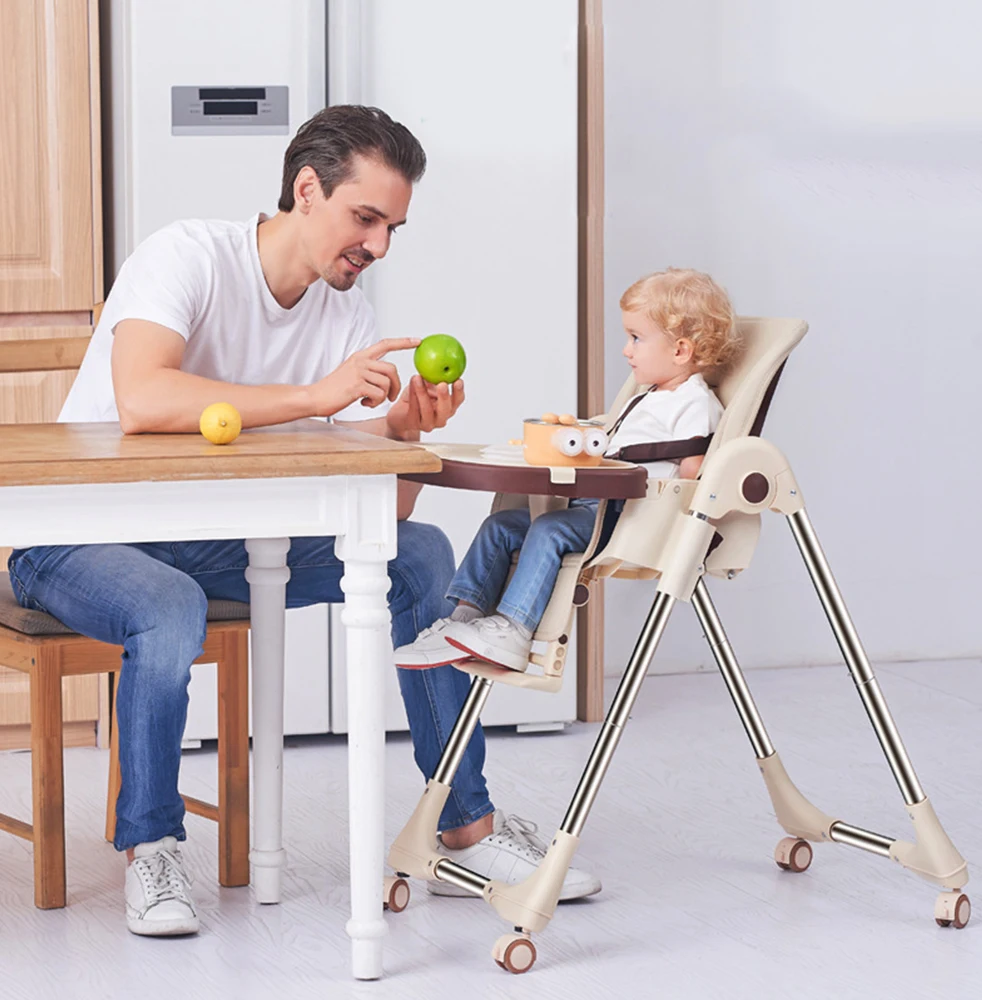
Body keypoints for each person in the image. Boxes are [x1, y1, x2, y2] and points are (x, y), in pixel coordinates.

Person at [6, 105, 598, 936]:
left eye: (393, 226)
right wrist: (317, 400)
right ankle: (152, 847)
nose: (380, 245)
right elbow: (144, 396)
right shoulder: (187, 256)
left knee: (419, 553)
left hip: (216, 541)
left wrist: (399, 436)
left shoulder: (346, 317)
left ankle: (461, 825)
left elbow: (377, 520)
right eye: (366, 218)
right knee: (165, 603)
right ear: (306, 188)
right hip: (73, 535)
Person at [396, 268, 740, 673]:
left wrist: (680, 522)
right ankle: (465, 619)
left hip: (630, 517)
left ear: (681, 351)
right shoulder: (648, 397)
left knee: (549, 530)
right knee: (503, 525)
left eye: (636, 338)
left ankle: (514, 626)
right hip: (593, 504)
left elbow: (695, 471)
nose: (627, 350)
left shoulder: (694, 403)